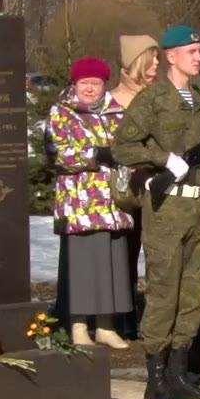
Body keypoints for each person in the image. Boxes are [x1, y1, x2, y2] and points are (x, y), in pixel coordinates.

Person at [112, 25, 200, 399]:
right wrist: (160, 159)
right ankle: (155, 379)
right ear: (171, 56)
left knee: (192, 291)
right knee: (163, 291)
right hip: (166, 206)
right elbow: (122, 145)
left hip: (194, 206)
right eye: (190, 50)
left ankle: (180, 373)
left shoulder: (198, 99)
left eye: (199, 49)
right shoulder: (153, 99)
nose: (198, 55)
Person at [46, 57, 135, 351]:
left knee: (112, 265)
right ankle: (79, 326)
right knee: (83, 268)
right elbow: (58, 153)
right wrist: (96, 155)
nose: (89, 89)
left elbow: (130, 148)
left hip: (112, 203)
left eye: (95, 83)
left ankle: (106, 327)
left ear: (104, 85)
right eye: (84, 83)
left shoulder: (117, 113)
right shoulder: (62, 113)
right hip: (79, 205)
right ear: (75, 84)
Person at [109, 35, 160, 339]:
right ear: (135, 61)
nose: (157, 65)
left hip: (158, 186)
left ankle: (154, 316)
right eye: (151, 58)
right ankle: (123, 313)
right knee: (124, 253)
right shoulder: (113, 101)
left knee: (157, 255)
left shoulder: (159, 98)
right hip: (126, 190)